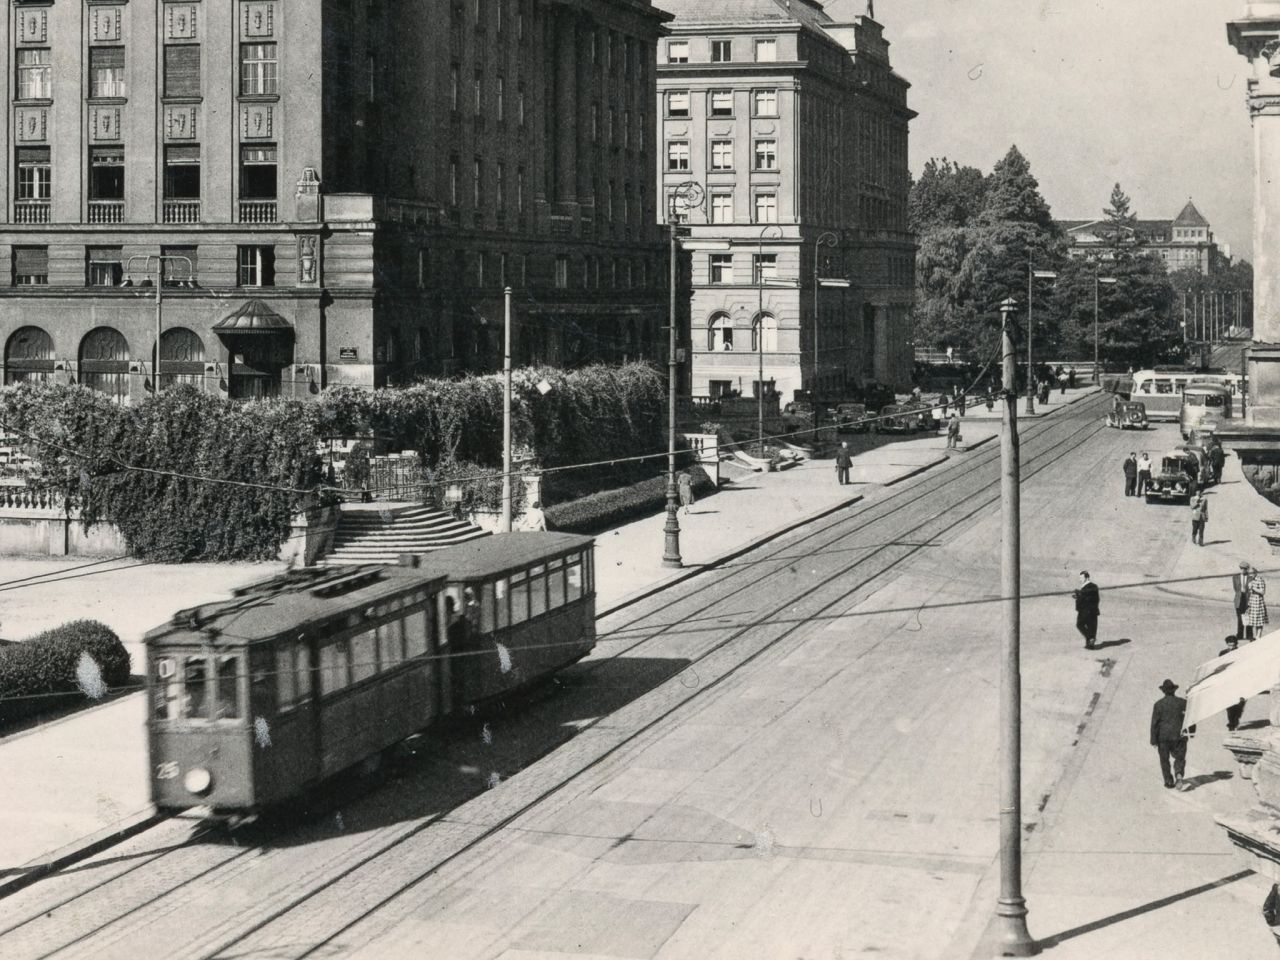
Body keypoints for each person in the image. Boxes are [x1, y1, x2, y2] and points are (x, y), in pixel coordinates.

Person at [1150, 679, 1190, 789]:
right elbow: (1190, 718)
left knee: (1164, 759)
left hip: (1163, 737)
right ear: (1174, 690)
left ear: (1164, 691)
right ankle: (1179, 773)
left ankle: (1168, 781)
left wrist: (1153, 740)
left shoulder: (1158, 705)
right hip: (1179, 736)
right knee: (1180, 757)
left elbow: (1154, 723)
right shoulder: (1183, 703)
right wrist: (1191, 732)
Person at [1219, 635, 1247, 732]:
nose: (1231, 647)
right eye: (1229, 645)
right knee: (1229, 705)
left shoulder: (1241, 652)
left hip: (1239, 681)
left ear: (1236, 644)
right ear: (1227, 644)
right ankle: (1231, 723)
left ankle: (1235, 719)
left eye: (1233, 645)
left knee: (1240, 704)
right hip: (1227, 682)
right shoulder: (1222, 653)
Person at [1074, 570, 1100, 650]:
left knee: (1080, 624)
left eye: (1081, 578)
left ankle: (1090, 639)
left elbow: (1088, 598)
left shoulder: (1090, 586)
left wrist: (1079, 595)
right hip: (1092, 610)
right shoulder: (1091, 586)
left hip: (1086, 610)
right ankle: (1090, 644)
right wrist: (1078, 596)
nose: (1080, 579)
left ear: (1087, 577)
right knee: (1091, 627)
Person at [1247, 566, 1269, 640]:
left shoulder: (1260, 580)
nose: (1251, 574)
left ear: (1255, 572)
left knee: (1259, 619)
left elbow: (1263, 592)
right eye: (1249, 573)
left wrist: (1253, 588)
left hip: (1258, 601)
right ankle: (1256, 636)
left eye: (1252, 573)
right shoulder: (1251, 580)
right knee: (1253, 620)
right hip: (1252, 601)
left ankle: (1258, 636)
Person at [1233, 561, 1252, 640]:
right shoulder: (1235, 577)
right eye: (1241, 568)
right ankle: (1240, 635)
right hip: (1239, 598)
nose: (1243, 570)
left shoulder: (1250, 577)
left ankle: (1249, 635)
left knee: (1248, 617)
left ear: (1247, 569)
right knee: (1240, 617)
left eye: (1245, 569)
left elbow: (1251, 589)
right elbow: (1235, 588)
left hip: (1247, 598)